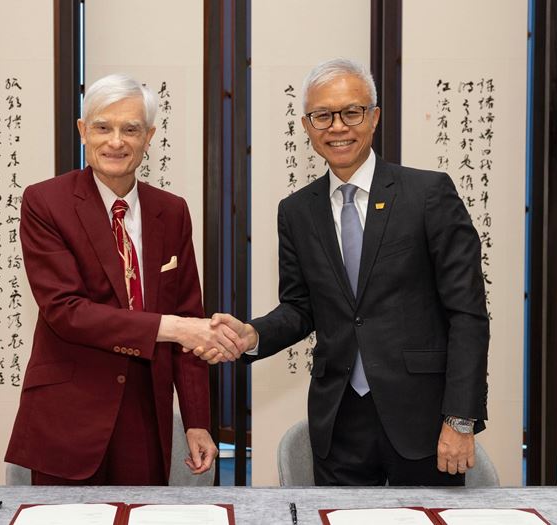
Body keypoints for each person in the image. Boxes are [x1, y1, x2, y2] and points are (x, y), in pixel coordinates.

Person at [199, 58, 489, 486]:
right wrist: (253, 335)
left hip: (423, 420)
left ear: (374, 117)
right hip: (339, 423)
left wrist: (461, 419)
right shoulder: (297, 211)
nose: (337, 126)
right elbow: (300, 308)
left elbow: (467, 313)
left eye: (351, 112)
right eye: (322, 116)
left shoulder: (428, 194)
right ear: (307, 125)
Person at [6, 73, 242, 485]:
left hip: (145, 416)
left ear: (148, 137)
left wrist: (197, 421)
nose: (115, 141)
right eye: (103, 127)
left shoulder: (171, 212)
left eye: (130, 129)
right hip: (68, 416)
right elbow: (66, 311)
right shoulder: (46, 202)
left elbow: (189, 315)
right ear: (83, 131)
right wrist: (172, 327)